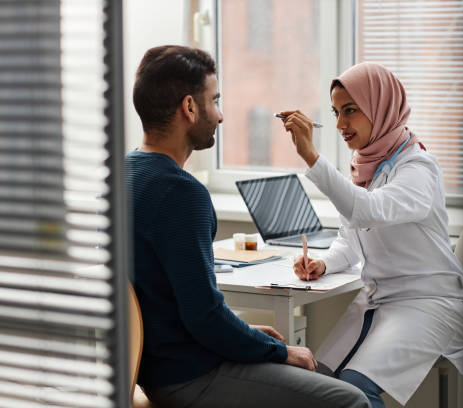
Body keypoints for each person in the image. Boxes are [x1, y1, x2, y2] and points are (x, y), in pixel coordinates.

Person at [125, 45, 370, 408]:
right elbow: (205, 317)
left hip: (157, 368)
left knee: (317, 374)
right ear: (190, 108)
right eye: (216, 100)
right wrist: (278, 351)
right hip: (189, 378)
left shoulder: (127, 173)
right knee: (352, 401)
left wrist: (249, 336)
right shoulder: (181, 193)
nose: (221, 116)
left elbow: (178, 308)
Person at [280, 62, 463, 408]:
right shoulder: (364, 167)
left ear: (381, 108)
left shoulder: (417, 169)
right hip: (380, 303)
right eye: (336, 112)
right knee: (318, 386)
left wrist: (310, 154)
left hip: (427, 302)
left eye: (351, 111)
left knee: (354, 393)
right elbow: (351, 242)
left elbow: (367, 210)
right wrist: (322, 263)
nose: (340, 124)